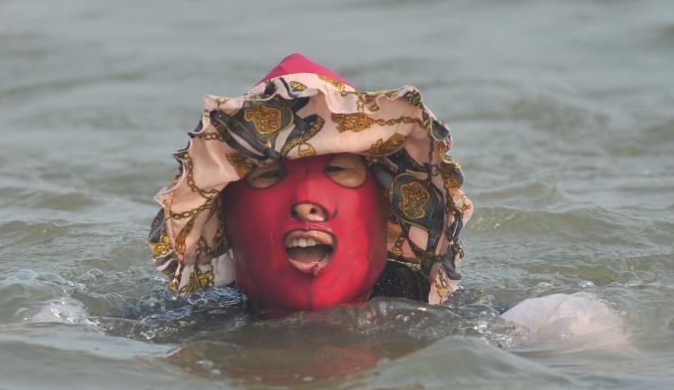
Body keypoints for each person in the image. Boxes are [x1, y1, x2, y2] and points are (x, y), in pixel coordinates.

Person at [149, 53, 472, 314]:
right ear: (226, 222)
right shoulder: (192, 321)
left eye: (339, 170)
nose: (305, 202)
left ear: (387, 208)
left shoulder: (439, 316)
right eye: (270, 174)